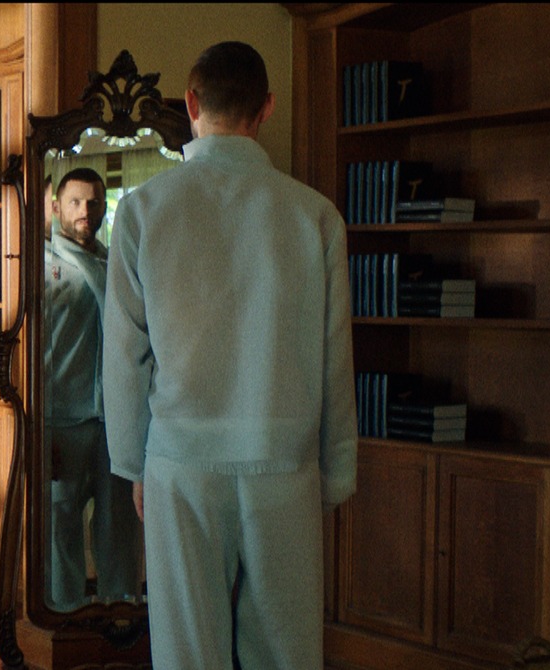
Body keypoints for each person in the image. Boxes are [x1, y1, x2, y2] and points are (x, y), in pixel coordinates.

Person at [103, 41, 357, 668]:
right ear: (266, 107)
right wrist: (336, 470)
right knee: (287, 652)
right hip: (284, 457)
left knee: (188, 652)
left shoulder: (141, 212)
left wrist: (133, 463)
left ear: (191, 103)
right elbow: (335, 356)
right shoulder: (316, 216)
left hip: (181, 462)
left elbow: (126, 355)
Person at [42, 167, 141, 610]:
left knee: (118, 528)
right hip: (62, 419)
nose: (86, 210)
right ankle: (62, 617)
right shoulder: (40, 265)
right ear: (56, 207)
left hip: (113, 419)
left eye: (94, 202)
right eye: (76, 202)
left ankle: (119, 617)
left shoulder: (114, 262)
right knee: (59, 526)